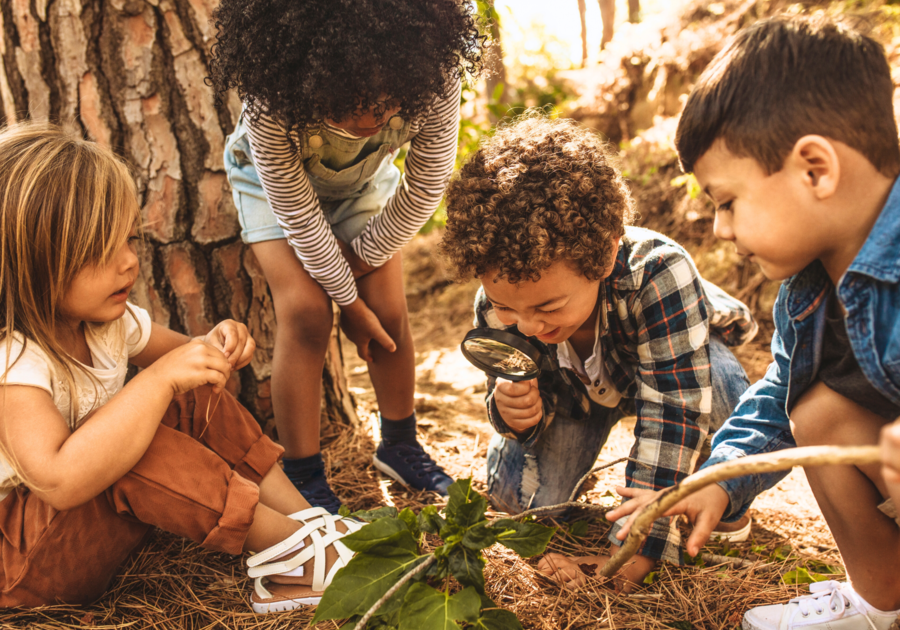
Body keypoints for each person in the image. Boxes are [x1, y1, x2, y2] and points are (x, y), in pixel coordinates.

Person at [611, 15, 900, 628]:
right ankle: (880, 602)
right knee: (816, 408)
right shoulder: (806, 293)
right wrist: (718, 479)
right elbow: (778, 396)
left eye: (727, 202)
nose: (719, 228)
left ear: (815, 169)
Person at [0, 122, 361, 612]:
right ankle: (293, 554)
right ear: (31, 263)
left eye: (129, 240)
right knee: (135, 440)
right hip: (23, 566)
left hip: (76, 532)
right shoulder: (14, 361)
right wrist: (157, 380)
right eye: (100, 252)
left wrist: (216, 343)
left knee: (188, 393)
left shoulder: (108, 323)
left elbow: (188, 357)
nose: (129, 263)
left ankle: (308, 523)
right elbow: (59, 480)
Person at [438, 113, 757, 591]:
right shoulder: (500, 303)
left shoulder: (659, 273)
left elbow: (673, 408)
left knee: (725, 388)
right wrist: (515, 415)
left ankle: (718, 492)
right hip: (576, 397)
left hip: (669, 365)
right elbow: (504, 389)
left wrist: (634, 547)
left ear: (605, 255)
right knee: (517, 500)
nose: (527, 325)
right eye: (508, 307)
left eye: (547, 305)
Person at [208, 0, 485, 512]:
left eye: (386, 102)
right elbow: (297, 213)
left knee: (388, 309)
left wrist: (358, 271)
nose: (370, 117)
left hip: (363, 186)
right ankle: (304, 473)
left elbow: (424, 189)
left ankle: (401, 445)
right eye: (347, 102)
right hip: (272, 189)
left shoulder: (435, 73)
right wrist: (346, 305)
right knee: (308, 313)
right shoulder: (273, 96)